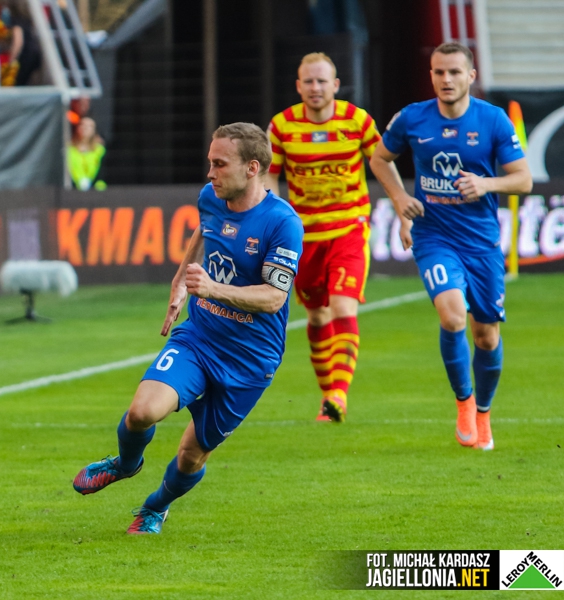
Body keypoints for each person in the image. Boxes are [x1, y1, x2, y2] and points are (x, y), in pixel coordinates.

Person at [72, 123, 303, 534]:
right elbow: (204, 229)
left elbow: (274, 298)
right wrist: (180, 280)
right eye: (210, 162)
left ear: (252, 168)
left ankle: (156, 507)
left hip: (251, 360)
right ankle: (125, 464)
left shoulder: (282, 223)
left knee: (191, 455)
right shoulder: (211, 197)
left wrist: (211, 288)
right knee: (142, 412)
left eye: (220, 164)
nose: (210, 173)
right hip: (201, 338)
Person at [369, 42, 532, 451]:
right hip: (433, 235)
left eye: (455, 72)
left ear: (471, 76)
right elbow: (380, 159)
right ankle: (464, 402)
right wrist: (399, 200)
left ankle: (484, 413)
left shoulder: (492, 120)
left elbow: (524, 179)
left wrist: (486, 183)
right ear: (431, 76)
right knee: (453, 315)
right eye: (439, 72)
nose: (446, 79)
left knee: (486, 336)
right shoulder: (412, 117)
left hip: (481, 243)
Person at [263, 52, 385, 423]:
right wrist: (274, 220)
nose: (315, 87)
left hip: (349, 228)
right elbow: (269, 175)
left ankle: (338, 394)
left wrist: (403, 206)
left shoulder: (357, 120)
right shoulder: (282, 126)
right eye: (309, 82)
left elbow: (382, 161)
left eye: (322, 81)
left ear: (336, 85)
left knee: (343, 308)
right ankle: (327, 397)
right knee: (317, 317)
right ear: (298, 86)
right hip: (303, 237)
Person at [68, 116, 106, 191]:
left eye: (89, 126)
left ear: (94, 130)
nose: (85, 128)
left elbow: (103, 174)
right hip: (73, 191)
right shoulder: (69, 150)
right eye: (82, 125)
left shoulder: (100, 150)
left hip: (95, 191)